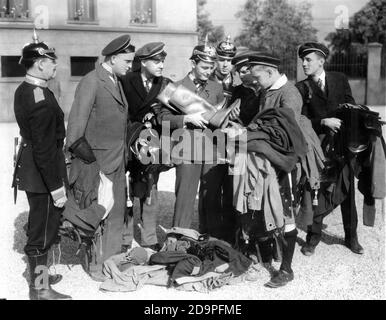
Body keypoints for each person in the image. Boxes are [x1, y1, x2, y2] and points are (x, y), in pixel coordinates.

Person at [65, 34, 135, 281]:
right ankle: (95, 264)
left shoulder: (116, 80)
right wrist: (90, 165)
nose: (130, 65)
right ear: (113, 58)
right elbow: (74, 132)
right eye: (127, 60)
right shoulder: (92, 81)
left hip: (117, 160)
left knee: (116, 212)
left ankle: (111, 260)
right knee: (98, 211)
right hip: (96, 162)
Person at [12, 29, 71, 300]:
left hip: (33, 170)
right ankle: (41, 289)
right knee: (42, 232)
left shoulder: (26, 89)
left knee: (42, 225)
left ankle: (42, 275)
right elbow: (46, 150)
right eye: (52, 61)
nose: (55, 65)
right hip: (43, 174)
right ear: (39, 63)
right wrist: (57, 188)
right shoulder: (41, 101)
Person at [238, 52, 304, 288]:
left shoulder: (289, 94)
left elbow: (286, 132)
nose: (255, 82)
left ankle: (286, 269)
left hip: (283, 162)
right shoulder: (268, 90)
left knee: (285, 214)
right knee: (264, 208)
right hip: (265, 160)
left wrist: (253, 132)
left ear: (269, 71)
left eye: (257, 77)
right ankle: (265, 255)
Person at [295, 42, 363, 256]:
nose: (304, 64)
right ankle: (312, 238)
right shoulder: (301, 87)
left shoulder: (340, 79)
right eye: (302, 60)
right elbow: (301, 120)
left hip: (342, 145)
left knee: (347, 191)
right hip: (318, 148)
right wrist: (323, 122)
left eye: (308, 60)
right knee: (316, 189)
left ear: (321, 61)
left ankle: (352, 238)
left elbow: (351, 106)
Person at [157, 42, 225, 238]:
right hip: (186, 148)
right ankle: (178, 240)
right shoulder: (175, 87)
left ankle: (209, 240)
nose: (209, 71)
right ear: (193, 63)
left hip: (211, 148)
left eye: (212, 67)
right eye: (204, 67)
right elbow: (162, 119)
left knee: (210, 197)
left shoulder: (216, 87)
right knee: (185, 198)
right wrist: (185, 119)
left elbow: (219, 117)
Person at [121, 42, 172, 250]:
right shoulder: (124, 81)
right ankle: (124, 238)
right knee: (126, 192)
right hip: (127, 142)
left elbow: (171, 115)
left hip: (152, 145)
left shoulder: (165, 84)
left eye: (163, 61)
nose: (161, 65)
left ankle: (149, 238)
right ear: (143, 62)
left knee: (150, 188)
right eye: (156, 61)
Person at [210, 36, 239, 101]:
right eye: (222, 60)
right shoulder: (206, 80)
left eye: (229, 61)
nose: (225, 65)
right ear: (216, 60)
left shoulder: (240, 82)